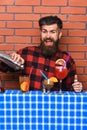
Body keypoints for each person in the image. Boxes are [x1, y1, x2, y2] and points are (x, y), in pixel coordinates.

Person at [0, 15, 83, 92]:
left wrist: (77, 87)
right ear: (40, 33)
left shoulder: (66, 59)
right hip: (29, 104)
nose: (48, 36)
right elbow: (2, 67)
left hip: (55, 105)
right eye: (44, 31)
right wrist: (12, 58)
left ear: (59, 35)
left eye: (52, 32)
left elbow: (71, 90)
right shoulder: (26, 53)